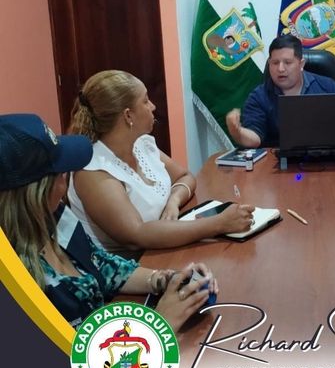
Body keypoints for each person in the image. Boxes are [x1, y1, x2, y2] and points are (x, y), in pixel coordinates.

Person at [0, 113, 216, 332]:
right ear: (34, 193)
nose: (66, 181)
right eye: (60, 174)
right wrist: (161, 321)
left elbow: (100, 264)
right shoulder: (14, 277)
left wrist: (165, 279)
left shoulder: (55, 214)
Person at [68, 70, 254, 259]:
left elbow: (185, 177)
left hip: (163, 251)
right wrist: (219, 223)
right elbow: (136, 235)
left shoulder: (141, 144)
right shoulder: (93, 171)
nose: (153, 106)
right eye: (145, 101)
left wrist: (173, 201)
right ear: (128, 116)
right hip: (130, 267)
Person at [226, 33, 335, 147]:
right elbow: (254, 138)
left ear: (301, 64)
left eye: (287, 62)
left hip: (326, 155)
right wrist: (237, 131)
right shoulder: (259, 97)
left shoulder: (328, 87)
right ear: (269, 63)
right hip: (278, 158)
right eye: (275, 63)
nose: (280, 69)